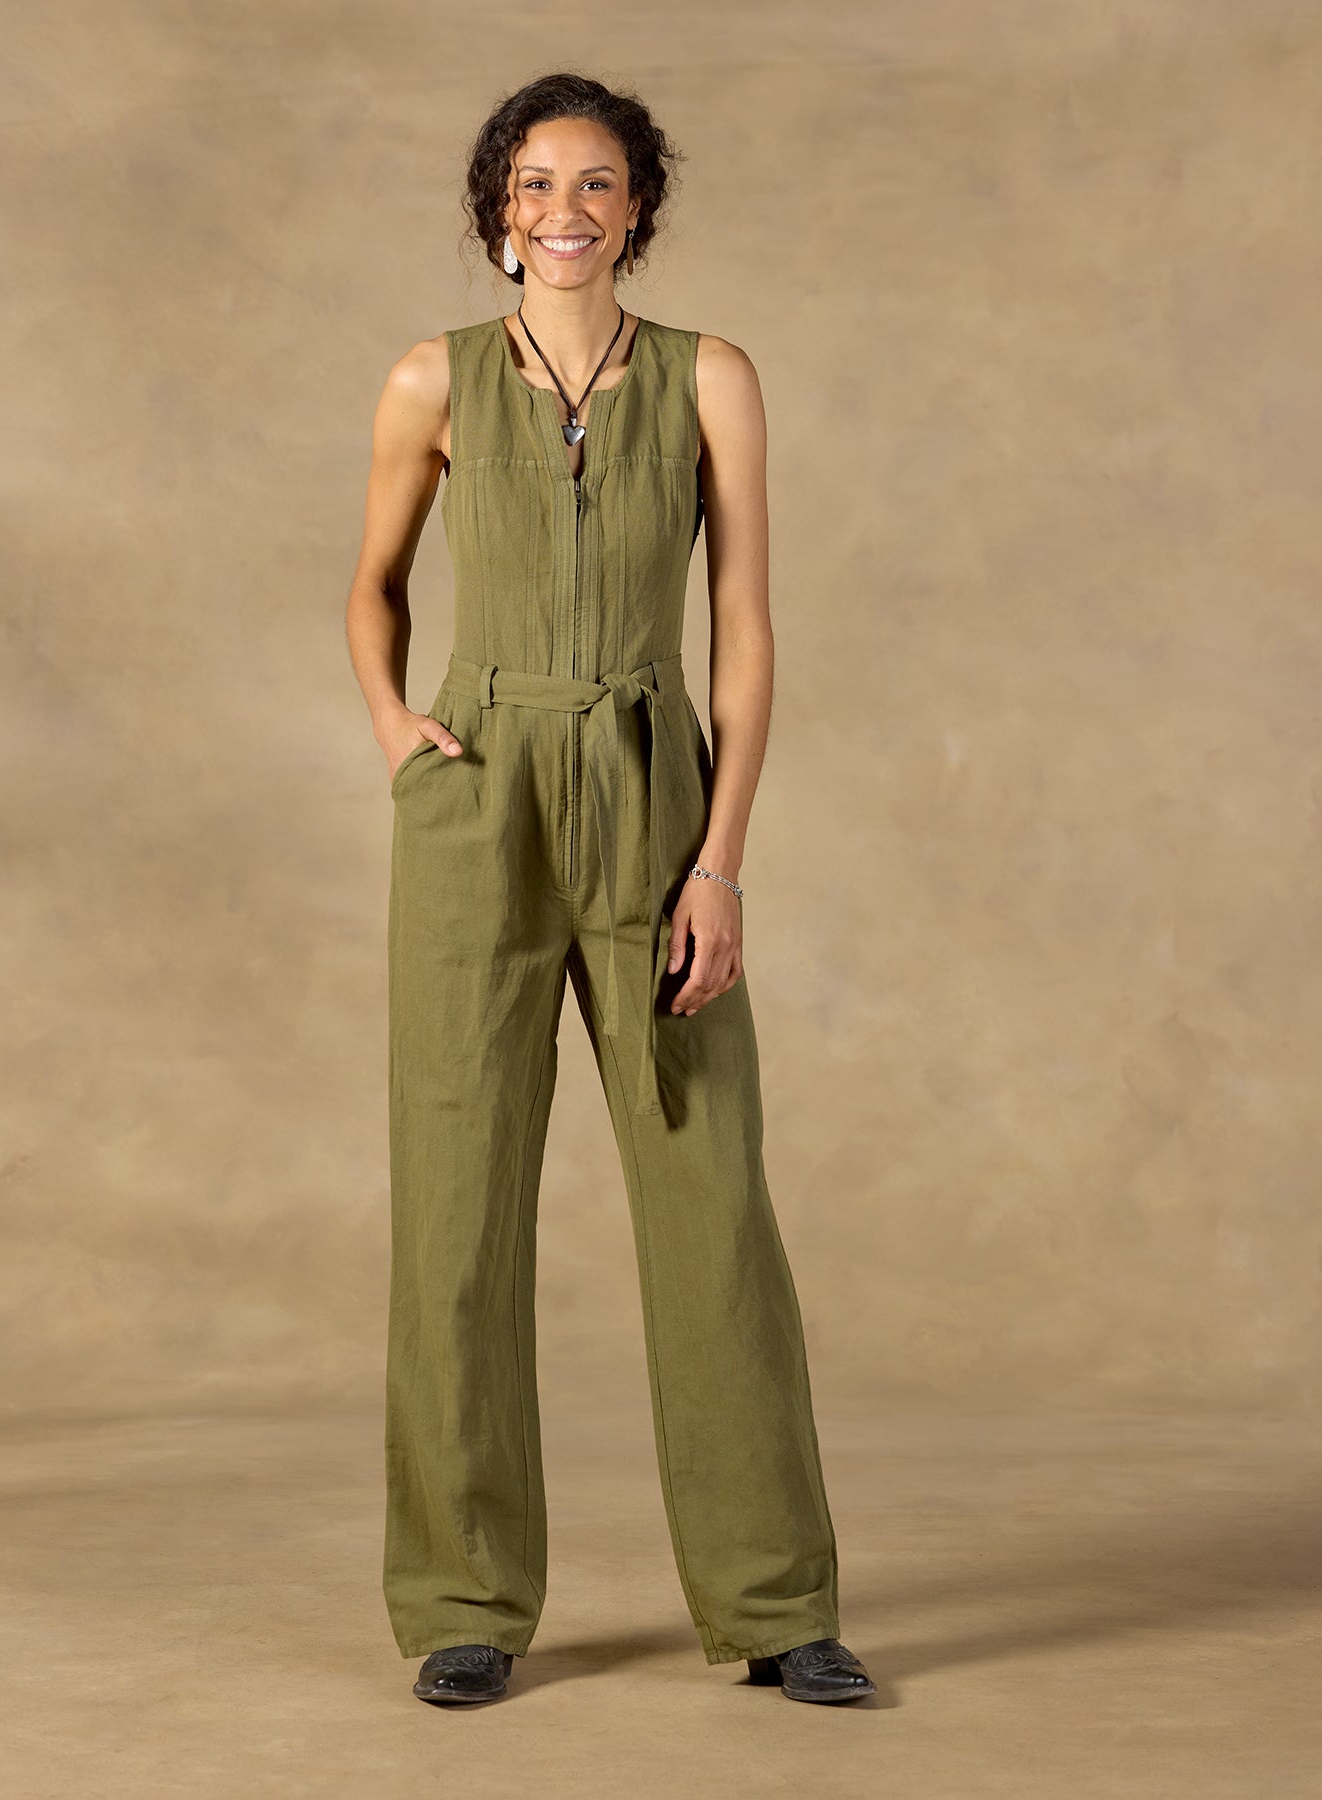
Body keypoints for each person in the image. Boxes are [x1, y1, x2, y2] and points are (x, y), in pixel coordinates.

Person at [345, 72, 874, 1708]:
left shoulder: (711, 377)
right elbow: (370, 586)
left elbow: (747, 629)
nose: (563, 208)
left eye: (594, 182)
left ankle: (777, 1603)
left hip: (655, 795)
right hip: (480, 794)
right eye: (533, 182)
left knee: (711, 1202)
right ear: (496, 211)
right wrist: (397, 728)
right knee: (454, 1209)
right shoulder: (430, 377)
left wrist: (721, 859)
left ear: (638, 206)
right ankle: (463, 1600)